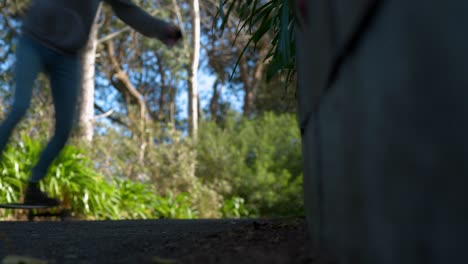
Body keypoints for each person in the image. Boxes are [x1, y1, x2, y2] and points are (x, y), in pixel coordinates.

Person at [0, 0, 183, 206]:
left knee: (63, 130)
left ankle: (33, 186)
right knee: (20, 106)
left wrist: (161, 29)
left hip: (66, 57)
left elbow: (126, 9)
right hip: (34, 41)